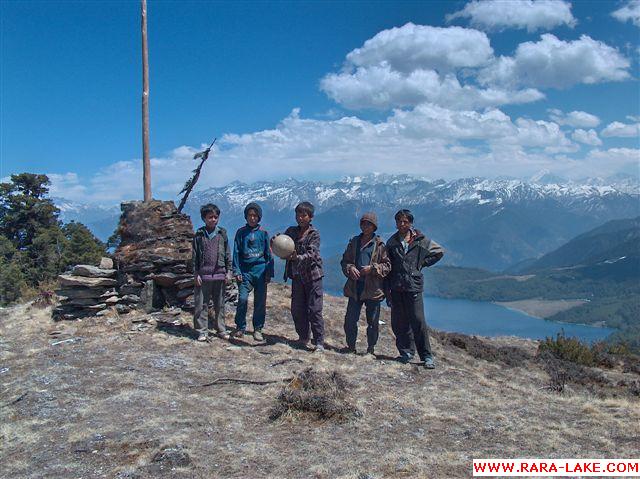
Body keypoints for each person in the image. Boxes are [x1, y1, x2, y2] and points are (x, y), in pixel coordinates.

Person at [385, 209, 444, 369]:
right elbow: (388, 266)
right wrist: (387, 290)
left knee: (418, 321)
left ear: (411, 223)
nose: (402, 224)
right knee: (399, 322)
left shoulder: (421, 240)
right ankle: (406, 352)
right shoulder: (391, 242)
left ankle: (426, 356)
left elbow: (439, 252)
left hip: (413, 286)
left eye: (405, 221)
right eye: (399, 221)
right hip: (396, 286)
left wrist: (422, 263)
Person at [340, 212, 391, 355]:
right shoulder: (354, 242)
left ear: (374, 227)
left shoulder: (380, 245)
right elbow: (345, 261)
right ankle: (351, 347)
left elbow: (387, 266)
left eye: (369, 224)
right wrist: (350, 269)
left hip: (373, 289)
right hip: (355, 287)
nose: (365, 226)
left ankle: (371, 349)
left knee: (373, 322)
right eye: (363, 223)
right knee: (350, 320)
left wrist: (372, 269)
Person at [280, 201, 325, 352]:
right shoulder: (291, 232)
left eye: (304, 215)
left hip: (313, 277)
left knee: (314, 309)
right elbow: (282, 243)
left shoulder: (314, 234)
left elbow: (312, 254)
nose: (300, 217)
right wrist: (276, 242)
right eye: (298, 214)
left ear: (310, 217)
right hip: (297, 277)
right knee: (297, 308)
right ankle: (303, 337)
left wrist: (296, 258)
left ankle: (319, 342)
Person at [232, 202, 274, 341]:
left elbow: (268, 254)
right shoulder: (241, 233)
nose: (252, 218)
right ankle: (240, 327)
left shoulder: (263, 233)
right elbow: (236, 252)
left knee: (260, 302)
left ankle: (258, 329)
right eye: (250, 215)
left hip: (260, 271)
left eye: (255, 215)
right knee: (242, 299)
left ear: (259, 217)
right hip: (245, 272)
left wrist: (269, 272)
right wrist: (236, 270)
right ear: (246, 216)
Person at [192, 203, 233, 341]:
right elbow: (195, 256)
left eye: (216, 217)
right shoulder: (199, 235)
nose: (213, 220)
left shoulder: (222, 234)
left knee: (220, 304)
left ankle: (221, 329)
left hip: (219, 274)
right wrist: (196, 273)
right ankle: (202, 330)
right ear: (204, 218)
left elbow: (227, 253)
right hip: (204, 275)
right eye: (210, 217)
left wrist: (229, 271)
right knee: (201, 305)